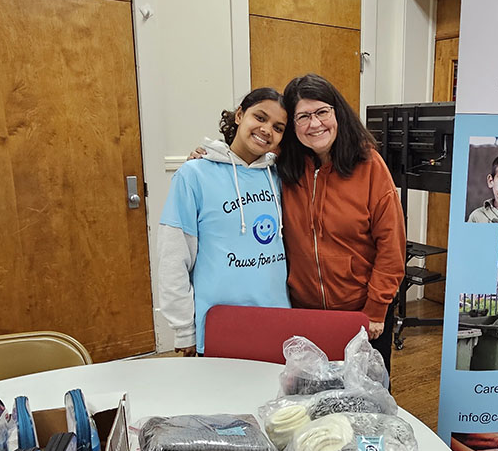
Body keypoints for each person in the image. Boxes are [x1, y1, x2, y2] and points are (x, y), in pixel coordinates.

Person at [278, 74, 406, 371]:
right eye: (303, 116)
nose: (315, 124)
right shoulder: (283, 165)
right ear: (292, 125)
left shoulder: (370, 165)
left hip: (361, 312)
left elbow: (391, 245)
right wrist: (208, 156)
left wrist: (376, 309)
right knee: (311, 391)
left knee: (366, 393)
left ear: (337, 113)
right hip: (305, 314)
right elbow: (247, 151)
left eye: (322, 112)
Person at [158, 88, 290, 356]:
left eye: (278, 127)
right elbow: (173, 257)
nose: (267, 130)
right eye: (260, 117)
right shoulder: (194, 175)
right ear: (239, 115)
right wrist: (183, 329)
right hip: (218, 323)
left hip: (276, 321)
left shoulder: (280, 176)